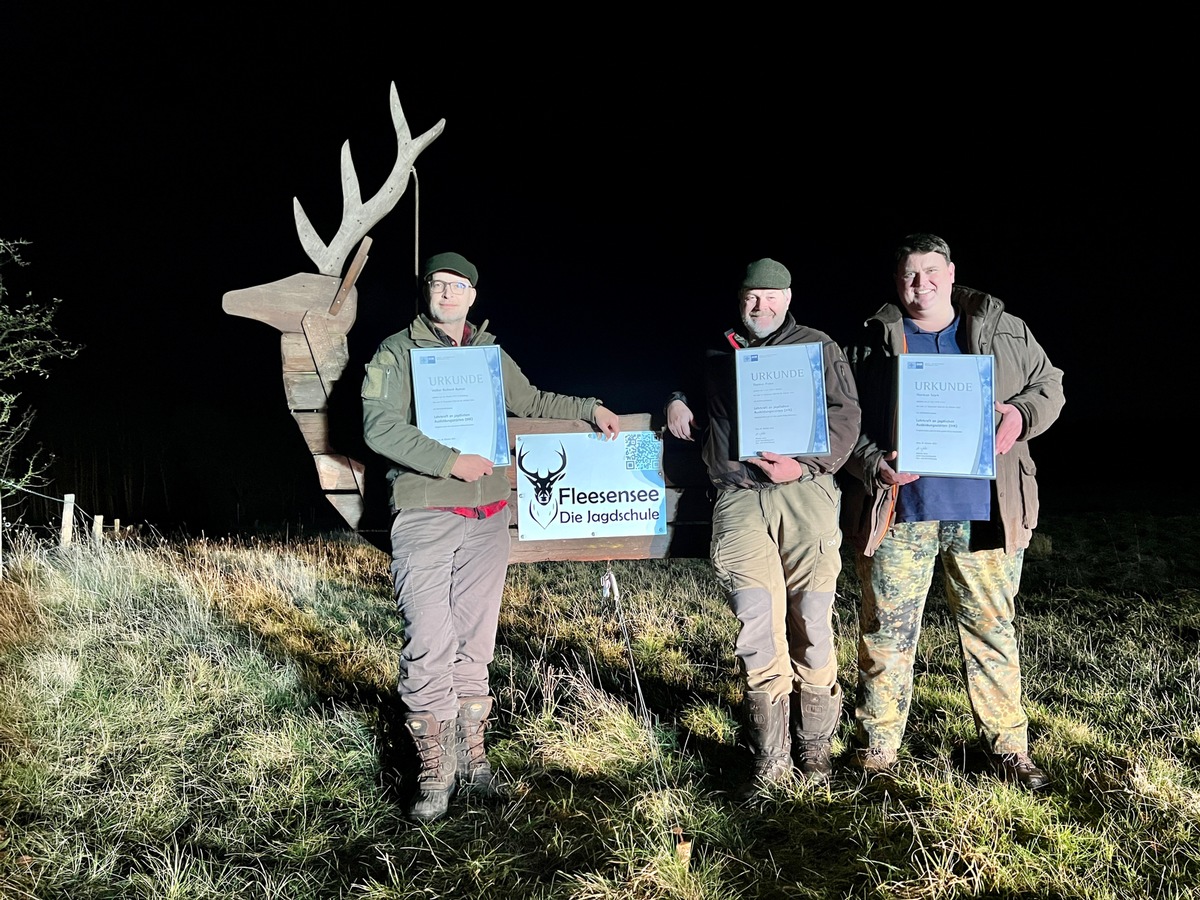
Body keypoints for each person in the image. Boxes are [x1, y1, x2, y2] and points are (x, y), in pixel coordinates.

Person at [362, 251, 621, 822]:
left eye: (459, 286)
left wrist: (590, 407)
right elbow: (378, 425)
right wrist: (449, 461)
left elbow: (530, 402)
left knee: (475, 643)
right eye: (439, 284)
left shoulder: (488, 355)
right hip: (427, 510)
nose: (449, 294)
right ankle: (436, 768)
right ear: (426, 291)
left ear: (473, 296)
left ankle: (472, 758)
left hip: (489, 518)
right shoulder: (396, 352)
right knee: (429, 638)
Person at [841, 233, 1064, 788]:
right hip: (900, 511)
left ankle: (1009, 748)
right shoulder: (869, 341)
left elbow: (1051, 386)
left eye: (932, 271)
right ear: (898, 281)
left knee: (992, 629)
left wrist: (1018, 415)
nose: (923, 284)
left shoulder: (1004, 329)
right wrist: (875, 464)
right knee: (885, 635)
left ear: (951, 271)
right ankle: (877, 751)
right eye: (911, 275)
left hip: (982, 512)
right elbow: (843, 422)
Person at [667, 258, 861, 795]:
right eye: (753, 297)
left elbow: (846, 417)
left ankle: (816, 753)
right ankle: (770, 761)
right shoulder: (715, 348)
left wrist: (804, 465)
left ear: (788, 297)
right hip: (739, 500)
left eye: (772, 297)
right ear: (740, 299)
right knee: (756, 627)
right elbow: (686, 382)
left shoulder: (818, 346)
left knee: (813, 623)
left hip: (805, 494)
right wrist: (677, 399)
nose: (762, 306)